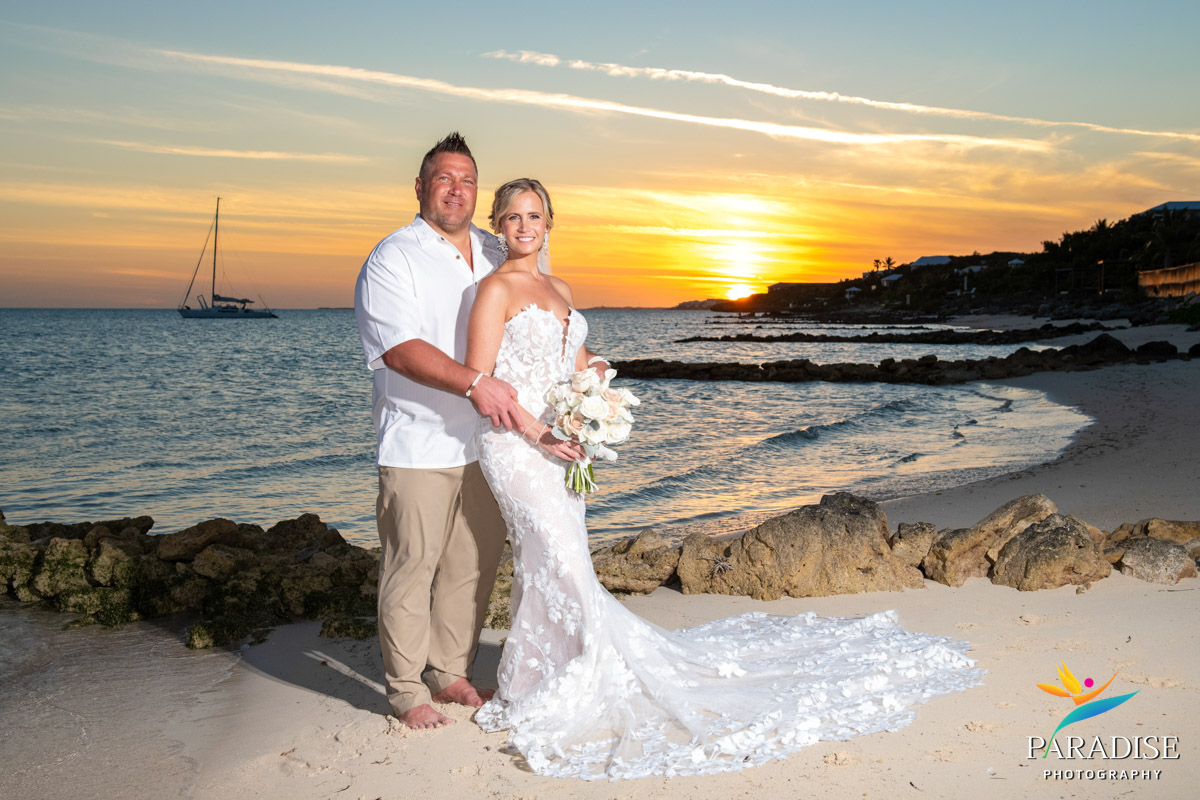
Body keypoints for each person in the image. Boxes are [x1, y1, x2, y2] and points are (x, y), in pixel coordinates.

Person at [465, 179, 985, 780]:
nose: (524, 226)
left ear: (549, 223)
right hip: (518, 446)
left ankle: (542, 673)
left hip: (565, 442)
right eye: (511, 217)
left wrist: (594, 388)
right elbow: (485, 385)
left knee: (556, 558)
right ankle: (563, 676)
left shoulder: (560, 288)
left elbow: (572, 363)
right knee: (553, 555)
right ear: (498, 225)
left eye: (534, 216)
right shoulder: (494, 290)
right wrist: (543, 434)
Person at [354, 132, 523, 730]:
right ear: (421, 187)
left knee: (472, 562)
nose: (457, 189)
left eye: (468, 180)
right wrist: (476, 384)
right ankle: (405, 689)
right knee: (412, 566)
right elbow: (400, 350)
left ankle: (448, 669)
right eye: (445, 178)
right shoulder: (392, 257)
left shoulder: (494, 249)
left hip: (489, 441)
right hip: (417, 440)